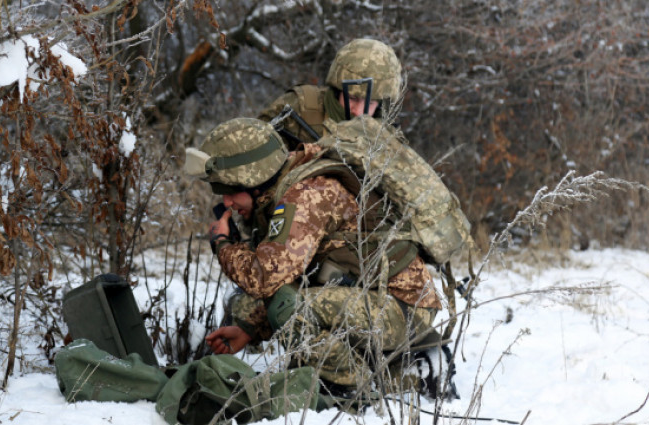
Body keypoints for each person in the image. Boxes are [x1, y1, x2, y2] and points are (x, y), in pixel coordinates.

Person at [185, 117, 459, 401]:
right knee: (249, 304)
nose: (226, 202)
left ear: (253, 178)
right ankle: (380, 366)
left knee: (289, 308)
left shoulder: (306, 196)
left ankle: (355, 386)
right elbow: (285, 278)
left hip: (403, 308)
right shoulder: (287, 185)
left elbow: (263, 278)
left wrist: (223, 244)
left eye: (229, 191)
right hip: (369, 296)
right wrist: (249, 328)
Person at [258, 38, 403, 149]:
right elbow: (251, 152)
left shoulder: (387, 139)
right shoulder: (300, 107)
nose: (358, 111)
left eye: (369, 103)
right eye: (352, 98)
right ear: (337, 90)